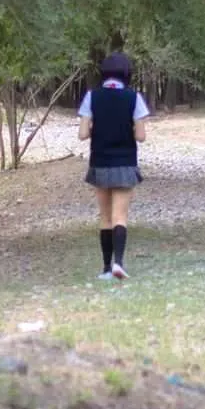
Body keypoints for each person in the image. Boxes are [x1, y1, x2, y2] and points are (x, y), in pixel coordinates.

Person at [78, 51, 149, 279]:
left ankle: (106, 269)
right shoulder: (134, 98)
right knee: (120, 217)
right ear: (126, 74)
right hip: (125, 163)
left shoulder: (92, 96)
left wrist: (96, 127)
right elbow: (140, 136)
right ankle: (119, 262)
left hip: (100, 162)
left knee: (105, 217)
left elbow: (82, 134)